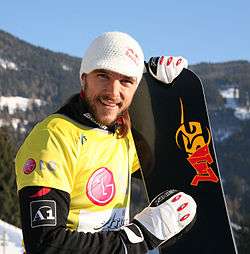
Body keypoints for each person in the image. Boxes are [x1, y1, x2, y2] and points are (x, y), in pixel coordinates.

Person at [15, 31, 196, 254]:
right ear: (84, 78)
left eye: (126, 81)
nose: (113, 91)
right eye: (103, 76)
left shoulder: (121, 136)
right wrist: (140, 236)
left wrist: (164, 92)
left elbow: (166, 164)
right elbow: (45, 243)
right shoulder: (54, 137)